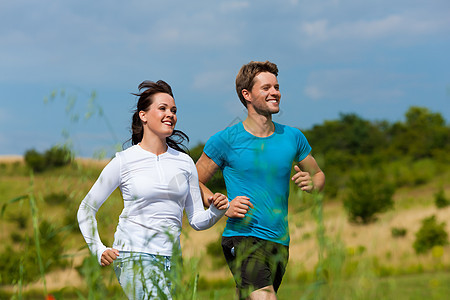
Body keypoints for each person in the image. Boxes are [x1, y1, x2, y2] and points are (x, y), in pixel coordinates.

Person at [77, 80, 229, 300]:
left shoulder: (185, 163)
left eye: (174, 110)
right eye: (163, 108)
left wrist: (216, 211)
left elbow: (196, 220)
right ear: (143, 115)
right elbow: (86, 207)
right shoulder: (124, 161)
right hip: (134, 256)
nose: (170, 114)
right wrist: (98, 248)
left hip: (172, 260)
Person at [196, 61, 325, 299]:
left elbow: (318, 174)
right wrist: (222, 206)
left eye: (276, 87)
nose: (274, 92)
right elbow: (193, 183)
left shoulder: (293, 136)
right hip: (243, 236)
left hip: (280, 240)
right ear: (246, 94)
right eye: (266, 88)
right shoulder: (225, 140)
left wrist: (313, 183)